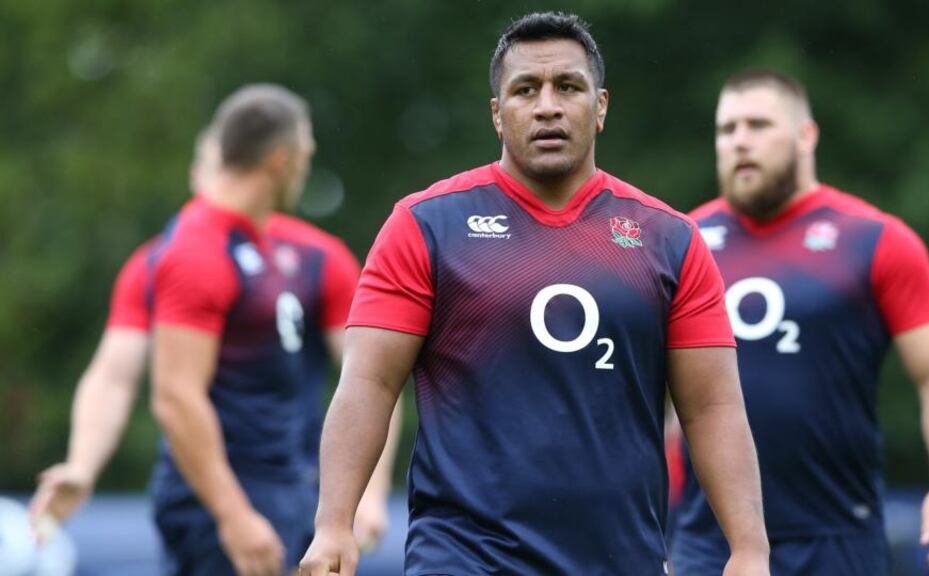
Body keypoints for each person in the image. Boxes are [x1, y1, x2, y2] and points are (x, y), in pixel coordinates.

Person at [300, 12, 769, 576]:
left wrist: (749, 549)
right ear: (498, 116)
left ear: (599, 108)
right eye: (526, 90)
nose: (547, 105)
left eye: (568, 86)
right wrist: (333, 525)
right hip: (464, 556)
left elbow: (713, 406)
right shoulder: (425, 225)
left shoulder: (670, 239)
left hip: (621, 558)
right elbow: (369, 382)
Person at [27, 127, 400, 558]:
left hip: (301, 490)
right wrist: (82, 465)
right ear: (197, 174)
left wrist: (367, 494)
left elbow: (372, 379)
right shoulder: (159, 260)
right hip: (200, 500)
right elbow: (113, 376)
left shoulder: (320, 258)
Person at [672, 68, 929, 575]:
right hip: (711, 540)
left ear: (806, 135)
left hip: (836, 536)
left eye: (758, 125)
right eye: (727, 130)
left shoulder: (876, 240)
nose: (740, 142)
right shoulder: (681, 241)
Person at [140, 83, 395, 576]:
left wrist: (365, 496)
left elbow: (372, 373)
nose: (306, 168)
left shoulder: (294, 250)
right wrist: (233, 516)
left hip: (291, 493)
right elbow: (175, 397)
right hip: (226, 505)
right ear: (282, 160)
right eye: (306, 156)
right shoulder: (197, 248)